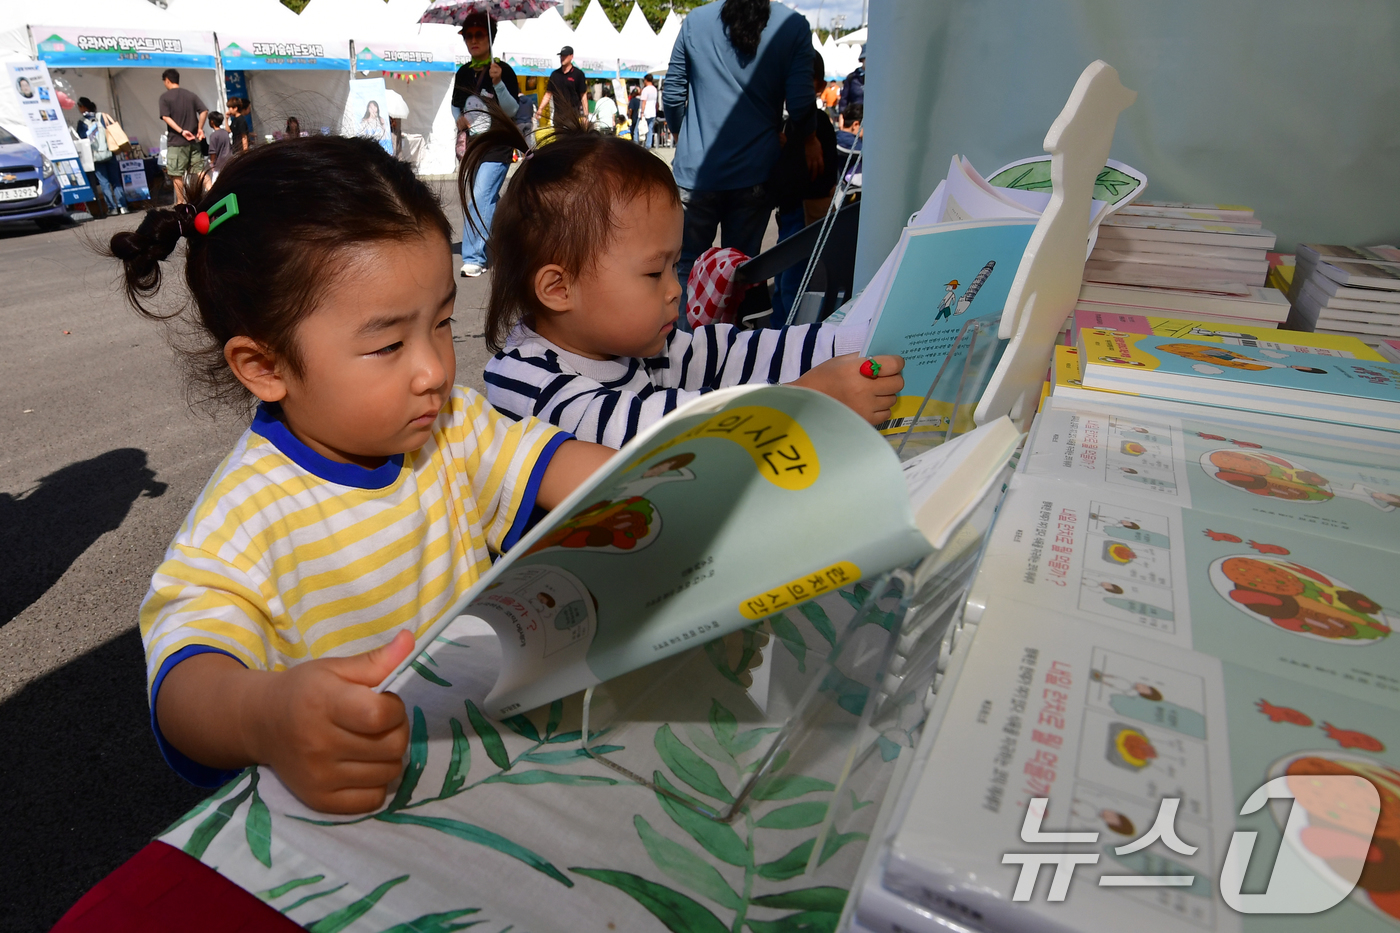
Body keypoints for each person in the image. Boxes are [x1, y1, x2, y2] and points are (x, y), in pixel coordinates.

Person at [106, 135, 613, 812]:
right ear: (265, 366)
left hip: (486, 769)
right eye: (388, 344)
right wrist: (267, 716)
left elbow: (563, 467)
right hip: (355, 817)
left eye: (441, 323)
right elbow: (185, 684)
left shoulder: (451, 428)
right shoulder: (248, 514)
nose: (434, 368)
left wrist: (682, 475)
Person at [462, 108, 903, 449]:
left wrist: (858, 343)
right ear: (559, 288)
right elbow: (641, 431)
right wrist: (802, 402)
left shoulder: (644, 345)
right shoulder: (525, 380)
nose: (676, 288)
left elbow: (737, 352)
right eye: (655, 271)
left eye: (674, 266)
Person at [662, 0, 824, 317]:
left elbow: (672, 93)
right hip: (755, 172)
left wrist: (683, 136)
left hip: (697, 172)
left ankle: (682, 356)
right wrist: (810, 139)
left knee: (685, 267)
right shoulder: (793, 26)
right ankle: (727, 354)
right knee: (740, 272)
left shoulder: (695, 21)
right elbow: (802, 102)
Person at [769, 52, 838, 324]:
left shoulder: (817, 123)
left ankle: (790, 337)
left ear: (819, 86)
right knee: (783, 278)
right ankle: (778, 334)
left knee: (791, 283)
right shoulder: (797, 123)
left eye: (803, 81)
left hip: (803, 211)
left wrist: (792, 151)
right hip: (792, 212)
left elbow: (820, 173)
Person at [450, 10, 520, 278]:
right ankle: (512, 228)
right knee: (488, 198)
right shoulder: (463, 73)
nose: (473, 40)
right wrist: (459, 120)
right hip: (474, 149)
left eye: (479, 34)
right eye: (468, 35)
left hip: (498, 147)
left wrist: (498, 83)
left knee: (479, 198)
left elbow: (512, 111)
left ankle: (474, 257)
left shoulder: (503, 71)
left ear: (491, 37)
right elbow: (457, 106)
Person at [158, 68, 208, 204]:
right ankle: (212, 192)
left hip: (177, 142)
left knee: (176, 174)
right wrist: (200, 128)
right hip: (194, 142)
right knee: (200, 171)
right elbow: (204, 111)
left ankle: (181, 203)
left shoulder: (165, 97)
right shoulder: (191, 95)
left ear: (167, 80)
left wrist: (181, 131)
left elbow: (166, 117)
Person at [76, 97, 130, 216]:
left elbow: (81, 140)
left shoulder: (82, 122)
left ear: (83, 107)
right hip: (110, 152)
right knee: (116, 181)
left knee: (104, 183)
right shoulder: (102, 116)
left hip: (96, 157)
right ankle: (123, 207)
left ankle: (112, 208)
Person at [540, 45, 587, 123]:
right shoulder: (555, 74)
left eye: (565, 56)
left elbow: (583, 96)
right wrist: (540, 109)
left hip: (573, 116)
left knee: (572, 135)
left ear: (571, 56)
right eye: (561, 56)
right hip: (558, 116)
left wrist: (585, 116)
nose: (562, 58)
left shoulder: (578, 74)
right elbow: (548, 94)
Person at [205, 111, 231, 181]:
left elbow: (213, 151)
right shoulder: (225, 133)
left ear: (212, 122)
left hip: (219, 164)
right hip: (229, 161)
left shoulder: (213, 135)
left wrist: (212, 162)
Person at [839, 45, 865, 113]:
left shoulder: (878, 79)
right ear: (862, 59)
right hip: (855, 116)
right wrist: (842, 114)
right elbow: (844, 99)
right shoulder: (852, 77)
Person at [639, 73, 658, 148]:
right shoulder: (654, 89)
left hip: (646, 112)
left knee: (640, 129)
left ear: (646, 80)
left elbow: (644, 101)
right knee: (650, 129)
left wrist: (642, 112)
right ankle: (648, 145)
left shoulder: (645, 90)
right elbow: (656, 102)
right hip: (652, 112)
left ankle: (639, 144)